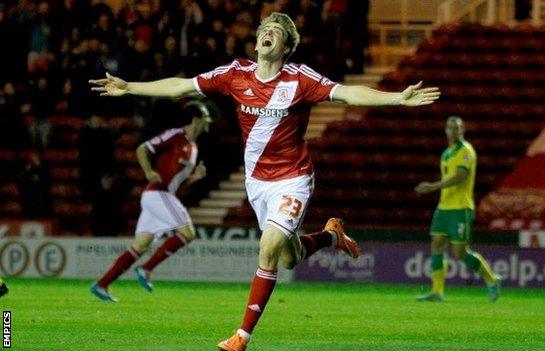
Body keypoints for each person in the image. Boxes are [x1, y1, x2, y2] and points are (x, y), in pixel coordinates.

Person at [89, 12, 440, 350]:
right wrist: (129, 87)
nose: (266, 32)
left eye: (276, 29)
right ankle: (332, 235)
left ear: (286, 46)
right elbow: (182, 85)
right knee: (289, 257)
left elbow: (348, 93)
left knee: (269, 247)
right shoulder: (234, 74)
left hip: (293, 179)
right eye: (263, 29)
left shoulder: (299, 79)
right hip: (257, 183)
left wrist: (397, 98)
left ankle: (242, 335)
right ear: (256, 42)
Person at [90, 101, 211, 302]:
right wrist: (148, 171)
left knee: (141, 244)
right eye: (206, 120)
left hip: (162, 196)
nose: (208, 125)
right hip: (157, 194)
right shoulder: (175, 135)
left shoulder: (194, 147)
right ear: (196, 120)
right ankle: (146, 269)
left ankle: (101, 284)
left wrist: (194, 178)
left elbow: (177, 182)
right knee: (188, 233)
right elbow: (142, 149)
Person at [415, 116, 501, 303]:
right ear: (446, 130)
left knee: (459, 252)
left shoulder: (466, 151)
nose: (453, 131)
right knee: (436, 245)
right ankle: (437, 291)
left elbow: (460, 177)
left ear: (463, 130)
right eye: (450, 127)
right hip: (444, 207)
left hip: (461, 208)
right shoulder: (447, 153)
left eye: (457, 127)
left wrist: (433, 187)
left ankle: (492, 280)